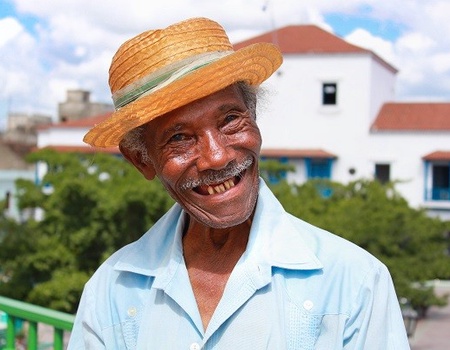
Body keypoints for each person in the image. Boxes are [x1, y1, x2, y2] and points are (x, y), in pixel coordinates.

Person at [68, 17, 410, 349]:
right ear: (142, 159)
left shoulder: (354, 283)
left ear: (254, 116)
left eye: (230, 119)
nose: (217, 157)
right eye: (180, 137)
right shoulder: (111, 290)